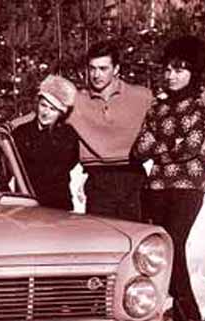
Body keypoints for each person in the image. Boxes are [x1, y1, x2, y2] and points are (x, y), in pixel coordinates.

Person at [132, 35, 205, 321]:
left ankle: (190, 314)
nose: (171, 75)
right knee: (159, 249)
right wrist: (169, 144)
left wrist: (160, 146)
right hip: (157, 186)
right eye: (168, 69)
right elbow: (139, 149)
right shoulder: (159, 106)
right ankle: (171, 310)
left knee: (173, 244)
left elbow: (191, 147)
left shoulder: (202, 102)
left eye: (179, 70)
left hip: (187, 185)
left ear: (193, 71)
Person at [67, 40, 153, 221]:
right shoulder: (77, 100)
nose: (96, 75)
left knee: (135, 234)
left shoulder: (141, 96)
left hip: (133, 177)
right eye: (92, 68)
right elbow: (44, 112)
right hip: (98, 179)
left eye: (103, 68)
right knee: (103, 235)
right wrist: (9, 126)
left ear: (116, 69)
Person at [0, 75, 80, 211]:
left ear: (61, 113)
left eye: (52, 109)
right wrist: (11, 199)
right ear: (37, 104)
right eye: (43, 105)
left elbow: (62, 168)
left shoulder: (67, 136)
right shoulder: (20, 133)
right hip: (25, 207)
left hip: (58, 208)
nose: (46, 113)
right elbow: (0, 173)